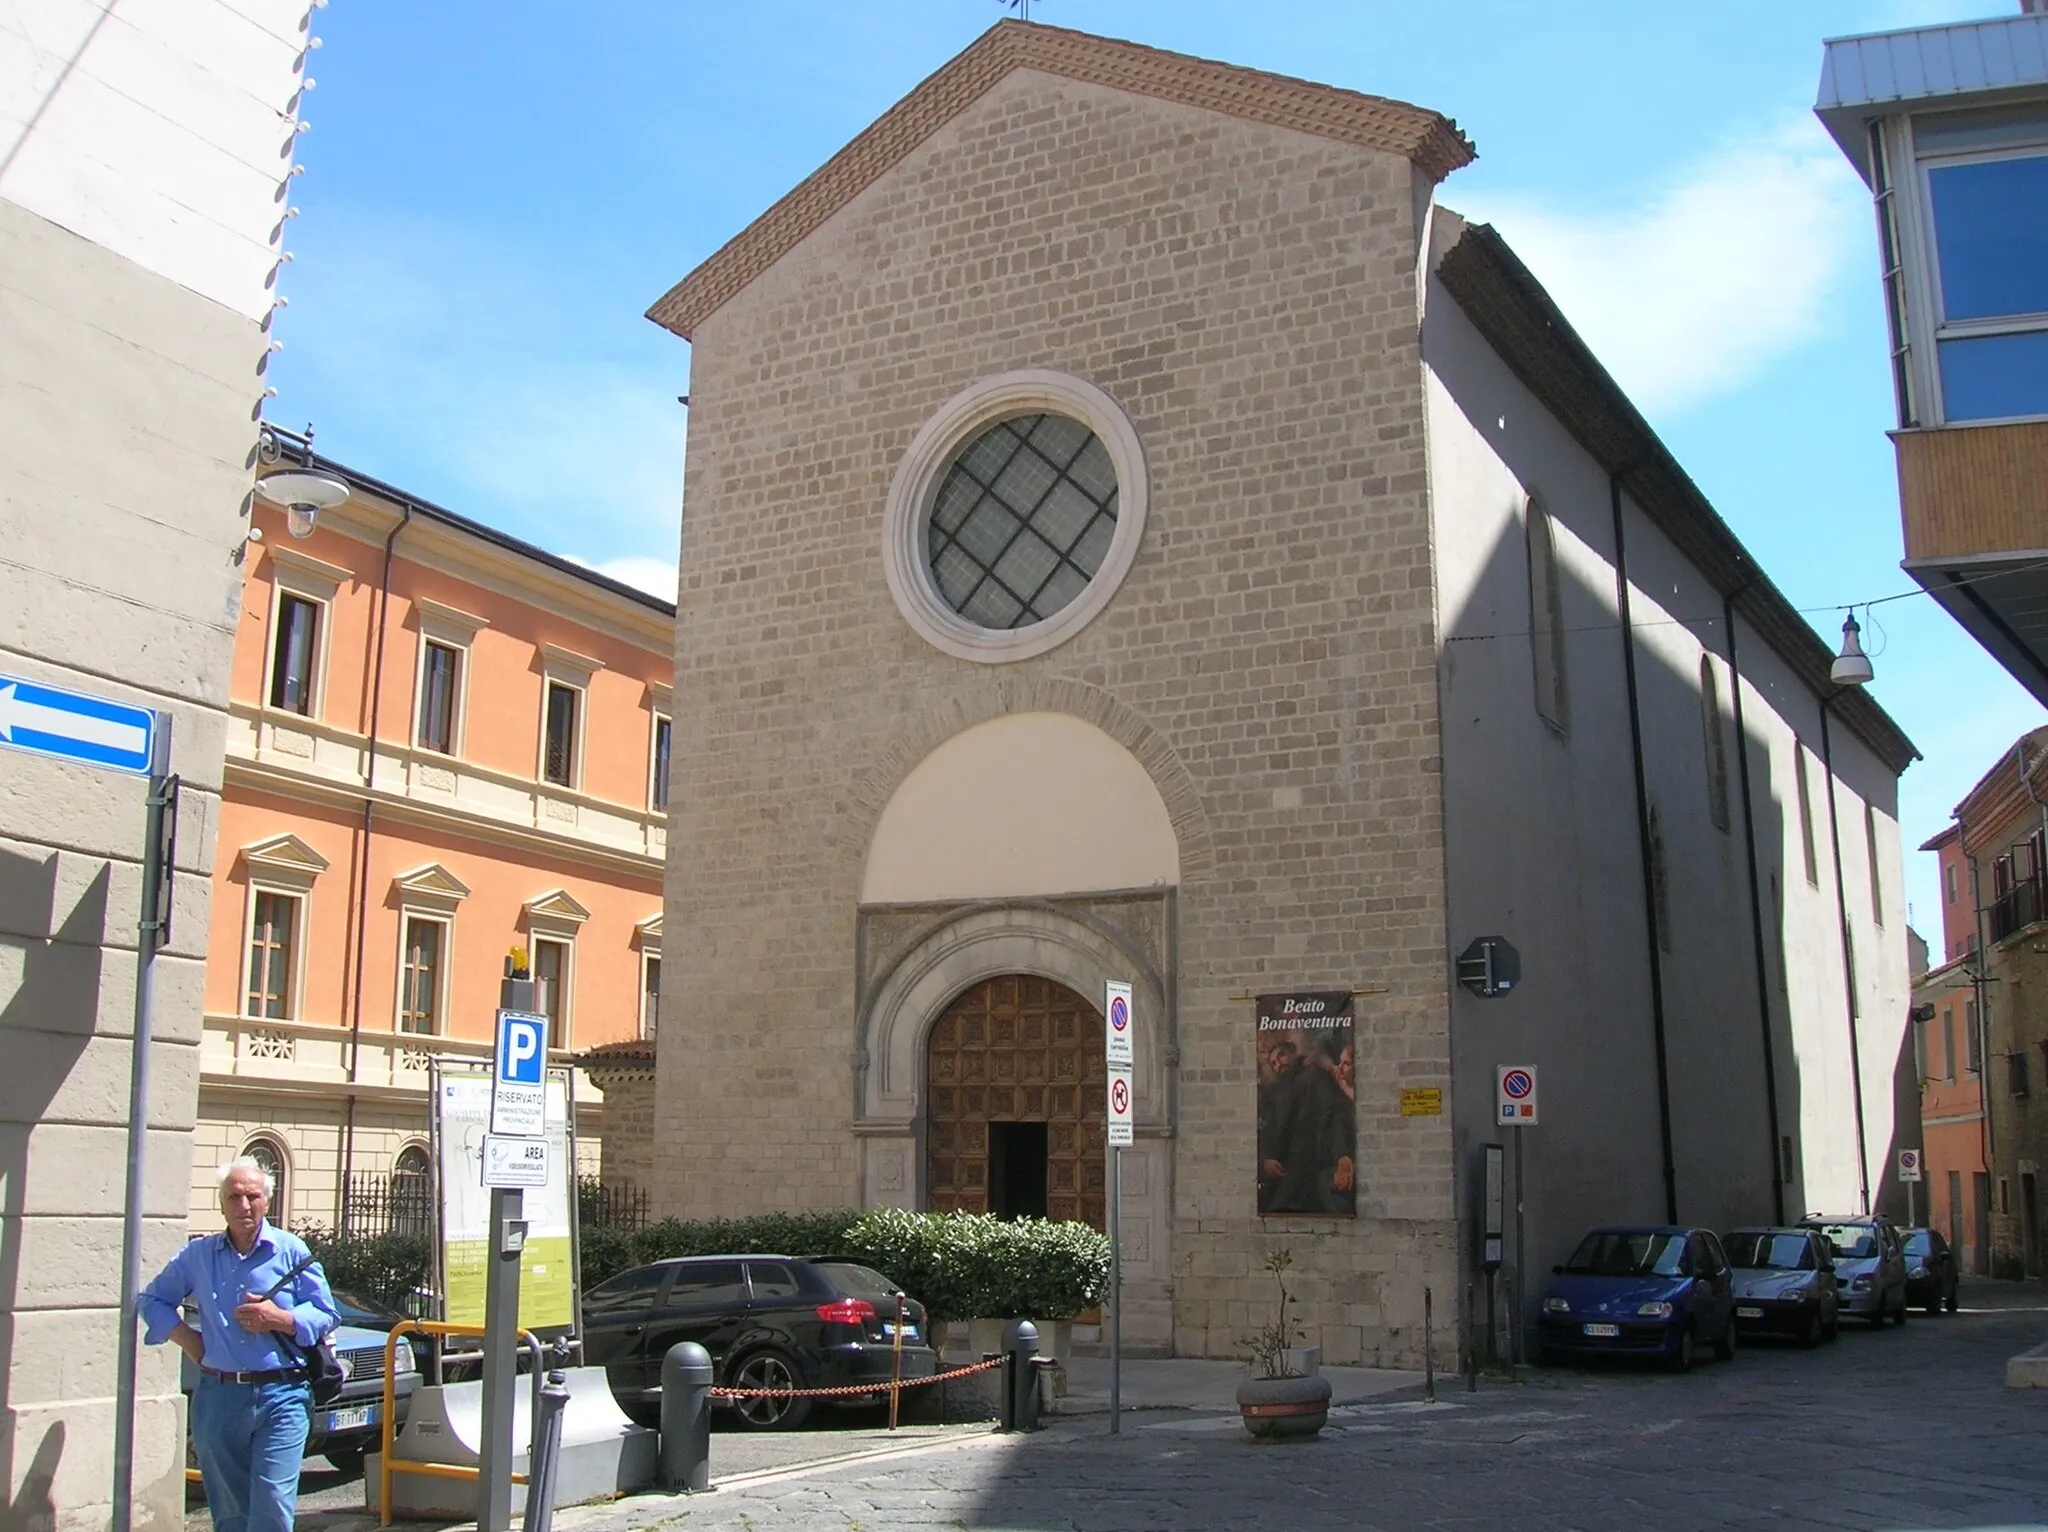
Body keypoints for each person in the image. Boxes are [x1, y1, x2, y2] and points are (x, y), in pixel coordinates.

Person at [141, 1156, 339, 1532]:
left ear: (267, 1200)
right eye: (234, 1196)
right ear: (222, 1203)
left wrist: (280, 1319)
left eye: (252, 1196)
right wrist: (188, 1339)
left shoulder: (291, 1250)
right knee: (230, 1511)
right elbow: (152, 1300)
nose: (244, 1205)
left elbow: (327, 1313)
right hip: (219, 1397)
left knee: (272, 1503)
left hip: (283, 1393)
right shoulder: (197, 1254)